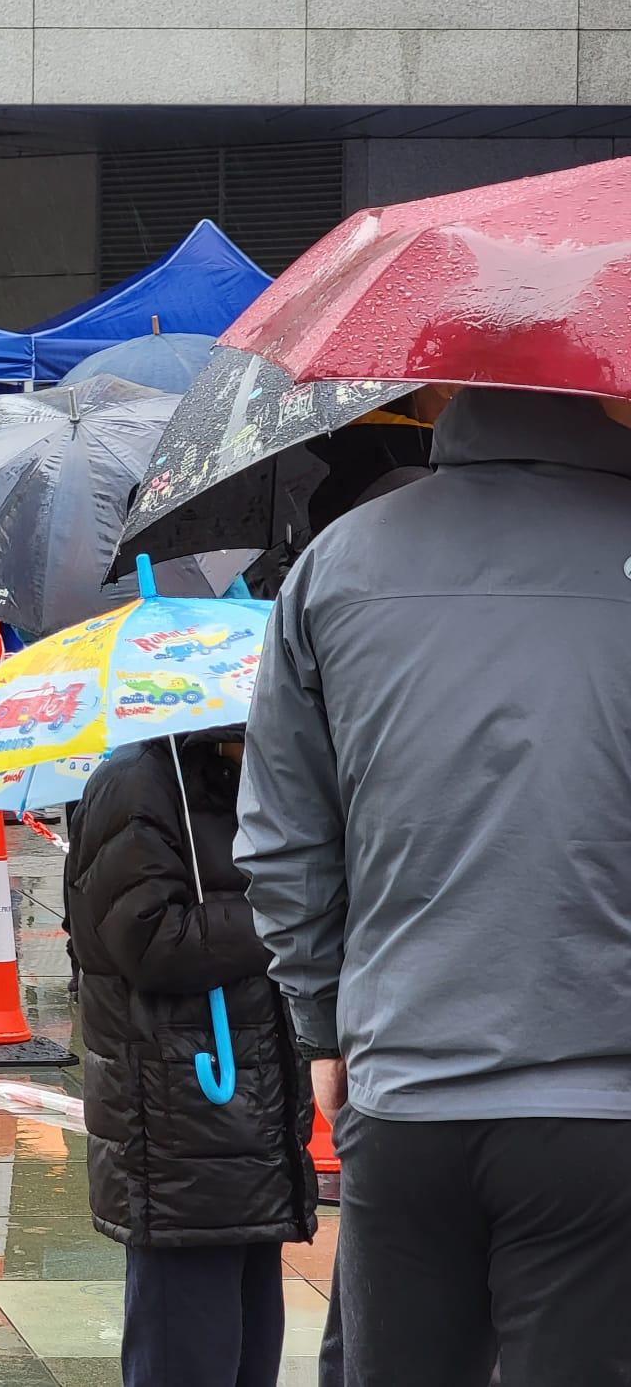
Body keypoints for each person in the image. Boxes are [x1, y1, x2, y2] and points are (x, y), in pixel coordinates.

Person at [238, 386, 631, 1386]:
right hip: (602, 1104)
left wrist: (319, 1019)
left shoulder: (337, 563)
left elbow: (283, 835)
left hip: (402, 1083)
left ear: (453, 388)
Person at [65, 727, 315, 1387]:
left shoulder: (254, 782)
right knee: (188, 1352)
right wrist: (283, 917)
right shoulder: (135, 784)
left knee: (249, 1349)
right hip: (180, 1117)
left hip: (255, 1115)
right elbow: (149, 940)